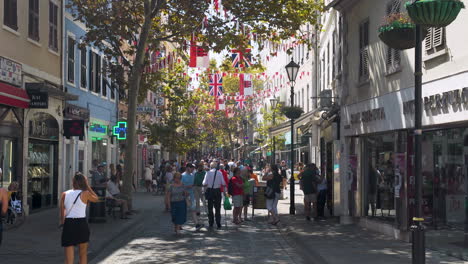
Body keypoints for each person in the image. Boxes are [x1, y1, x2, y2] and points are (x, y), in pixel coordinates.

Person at [60, 172, 99, 264]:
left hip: (69, 224)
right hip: (81, 224)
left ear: (73, 182)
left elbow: (62, 213)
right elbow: (96, 198)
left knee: (68, 258)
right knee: (83, 254)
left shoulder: (64, 194)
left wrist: (62, 224)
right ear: (83, 182)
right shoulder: (85, 194)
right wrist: (88, 186)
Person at [203, 162, 226, 229]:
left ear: (210, 166)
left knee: (210, 207)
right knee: (218, 207)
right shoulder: (219, 173)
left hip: (210, 191)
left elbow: (204, 183)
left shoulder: (208, 173)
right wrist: (224, 191)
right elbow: (223, 183)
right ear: (216, 167)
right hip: (217, 191)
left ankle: (211, 222)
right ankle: (218, 222)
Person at [182, 164, 203, 231]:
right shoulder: (183, 175)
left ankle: (197, 224)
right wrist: (187, 188)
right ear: (188, 168)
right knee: (183, 211)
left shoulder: (192, 175)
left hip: (191, 195)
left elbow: (193, 184)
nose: (193, 170)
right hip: (184, 196)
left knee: (193, 209)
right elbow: (180, 185)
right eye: (192, 168)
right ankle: (178, 225)